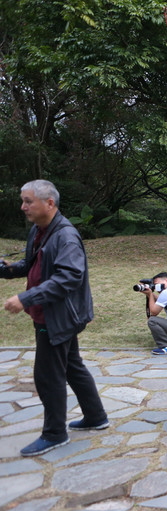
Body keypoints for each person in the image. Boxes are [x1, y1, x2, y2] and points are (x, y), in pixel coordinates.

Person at [1, 180, 108, 456]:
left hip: (58, 316)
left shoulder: (65, 236)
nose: (23, 207)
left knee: (48, 375)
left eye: (28, 201)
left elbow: (69, 277)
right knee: (72, 366)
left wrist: (25, 298)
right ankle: (96, 417)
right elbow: (32, 264)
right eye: (23, 201)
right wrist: (5, 269)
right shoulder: (39, 230)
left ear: (49, 203)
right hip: (51, 313)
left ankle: (55, 434)